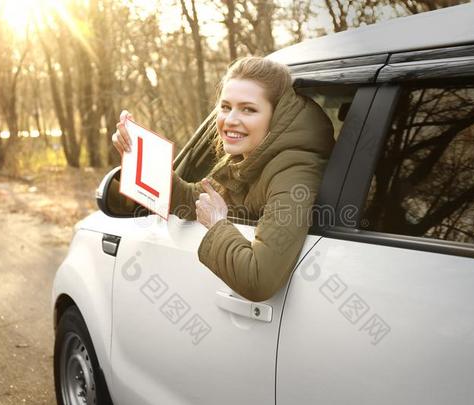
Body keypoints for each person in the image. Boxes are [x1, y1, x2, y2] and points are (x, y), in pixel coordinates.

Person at [112, 56, 334, 302]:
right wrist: (135, 150)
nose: (230, 120)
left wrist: (218, 224)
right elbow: (190, 199)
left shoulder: (294, 170)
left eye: (248, 109)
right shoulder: (249, 160)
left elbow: (259, 279)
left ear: (276, 115)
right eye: (226, 107)